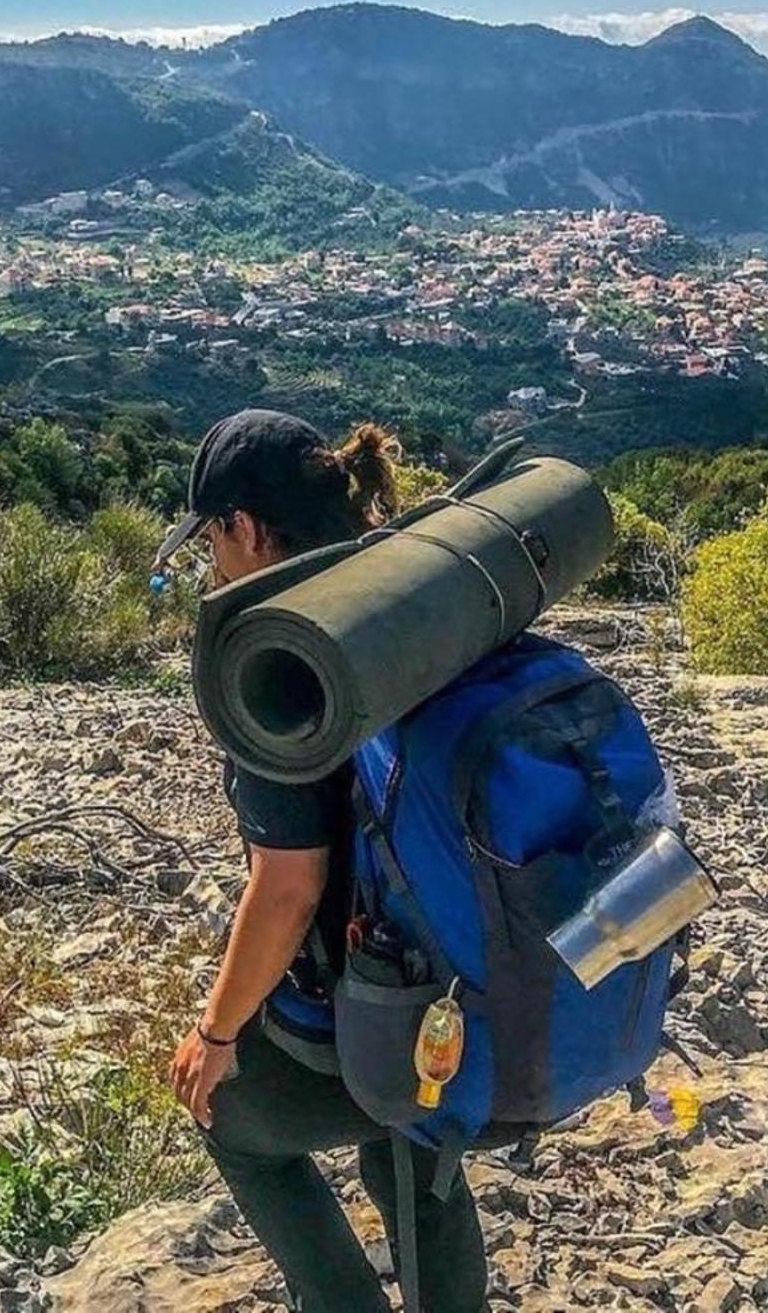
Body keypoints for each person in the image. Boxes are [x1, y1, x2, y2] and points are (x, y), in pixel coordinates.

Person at [160, 409, 495, 1313]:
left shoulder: (282, 663)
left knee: (229, 1116)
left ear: (244, 527)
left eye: (212, 540)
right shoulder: (407, 586)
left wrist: (216, 1035)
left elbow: (289, 886)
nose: (211, 563)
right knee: (409, 1147)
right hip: (475, 969)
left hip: (384, 996)